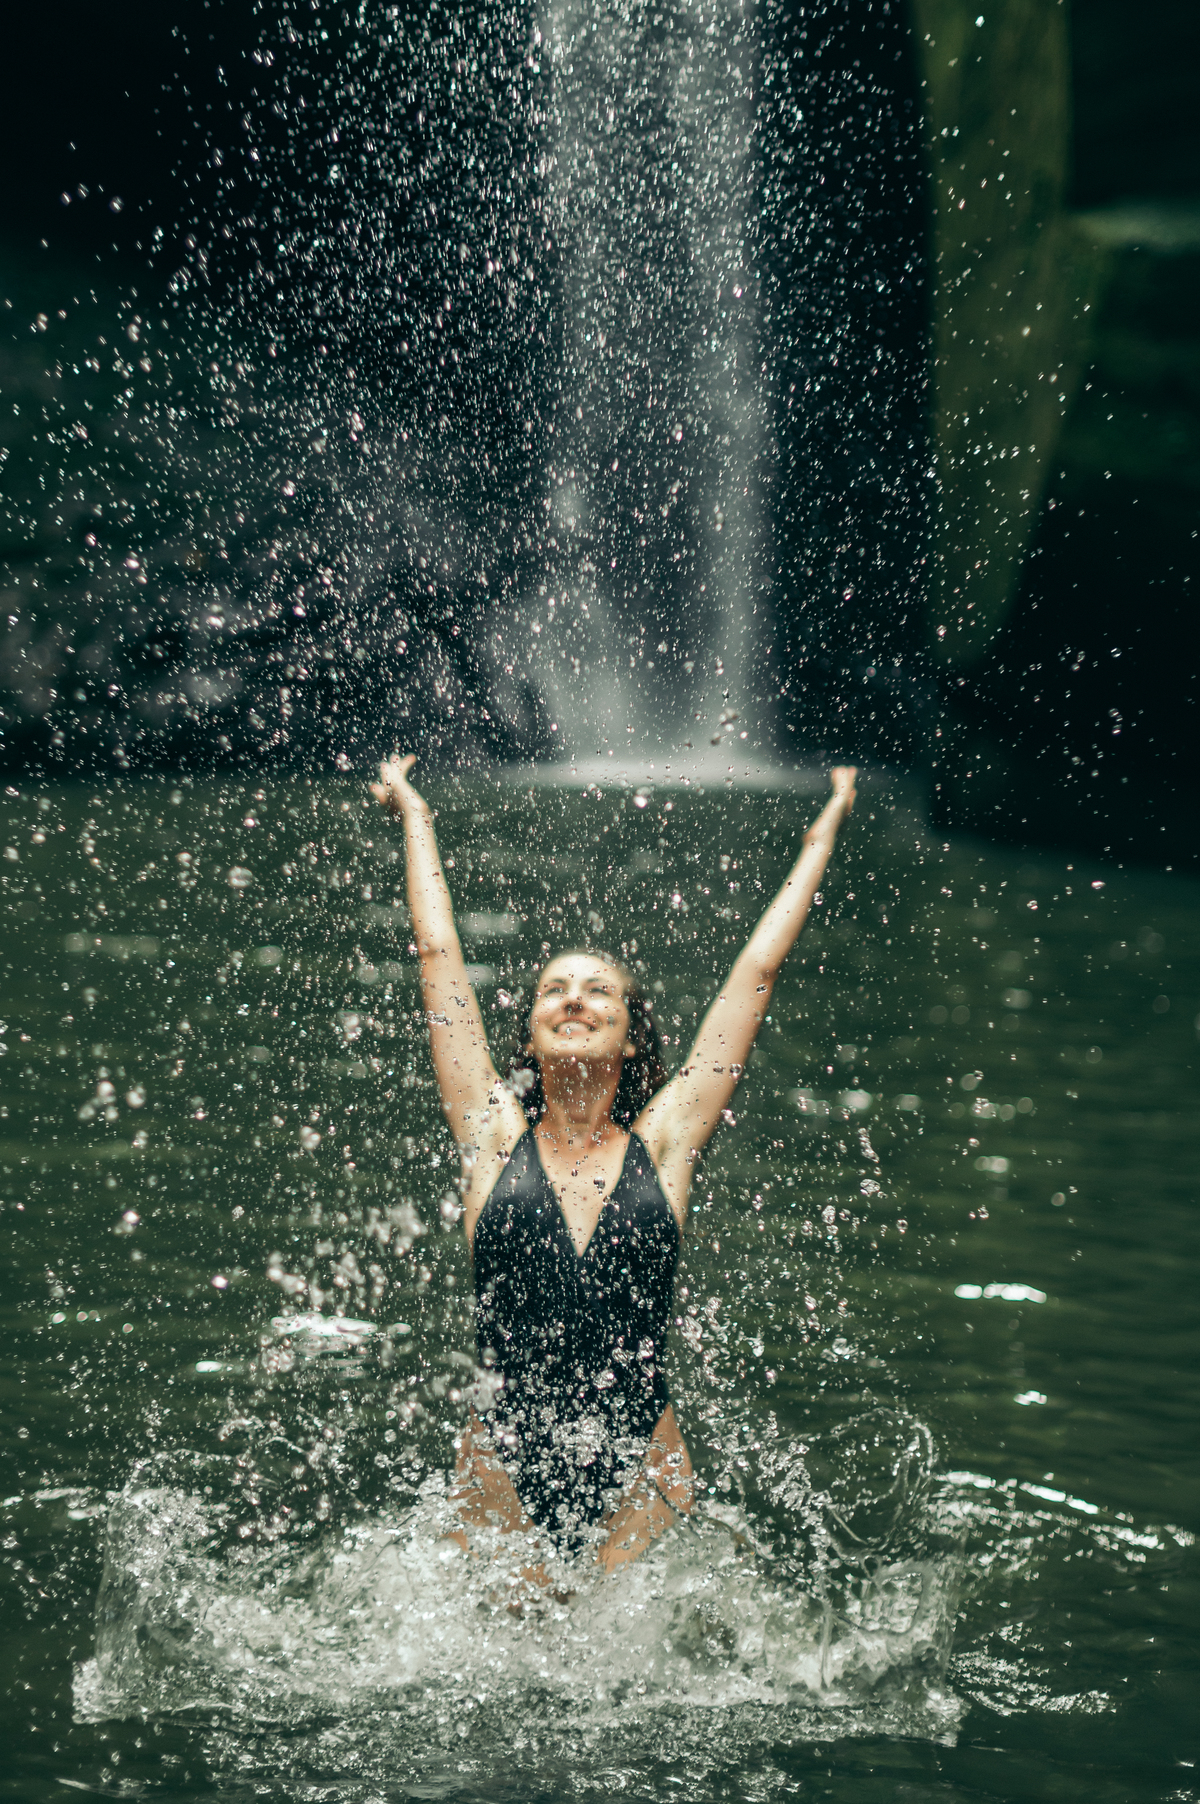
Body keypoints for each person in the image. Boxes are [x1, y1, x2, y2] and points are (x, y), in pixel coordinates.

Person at [370, 755, 857, 1577]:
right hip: (501, 1468)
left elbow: (757, 972)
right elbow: (437, 955)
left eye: (599, 991)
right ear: (529, 1037)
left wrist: (826, 827)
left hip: (642, 1467)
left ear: (631, 1038)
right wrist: (416, 819)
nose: (573, 999)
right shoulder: (492, 1135)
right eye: (554, 989)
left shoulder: (664, 1143)